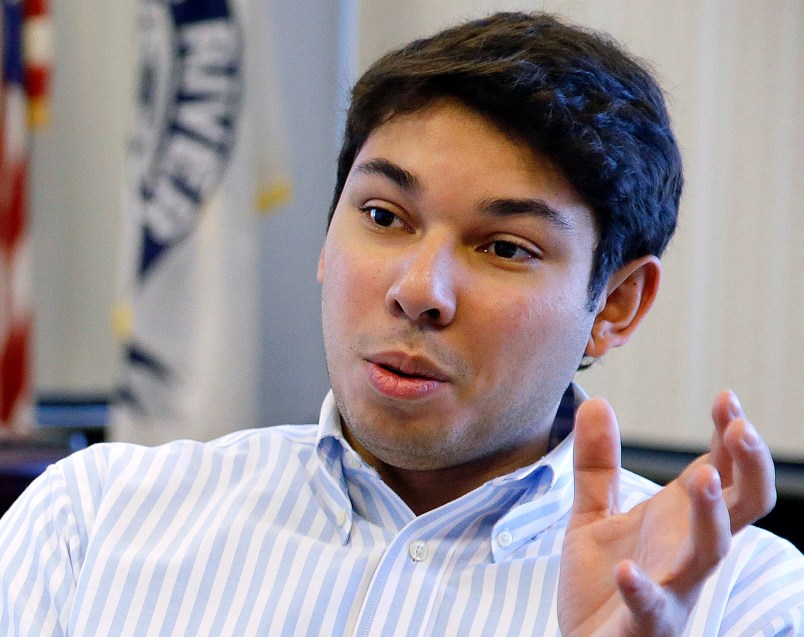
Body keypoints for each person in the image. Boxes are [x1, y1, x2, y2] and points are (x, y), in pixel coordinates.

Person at [1, 11, 802, 636]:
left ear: (615, 304)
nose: (420, 290)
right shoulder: (93, 520)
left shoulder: (739, 598)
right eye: (384, 215)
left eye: (505, 247)